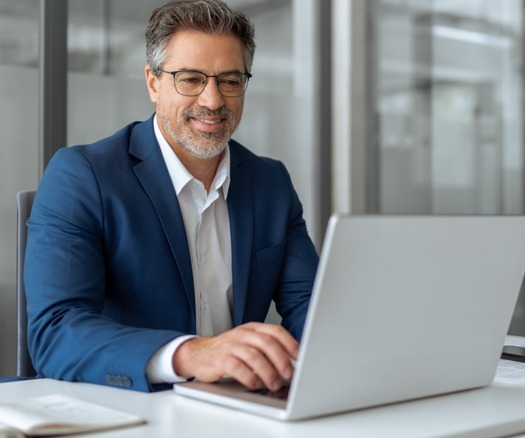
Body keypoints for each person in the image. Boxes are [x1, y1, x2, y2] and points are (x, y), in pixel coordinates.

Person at [24, 0, 319, 394]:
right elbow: (55, 330)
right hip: (124, 405)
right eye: (191, 79)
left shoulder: (271, 183)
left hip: (235, 405)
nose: (213, 101)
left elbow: (312, 311)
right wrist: (192, 354)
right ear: (153, 83)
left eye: (230, 80)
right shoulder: (82, 176)